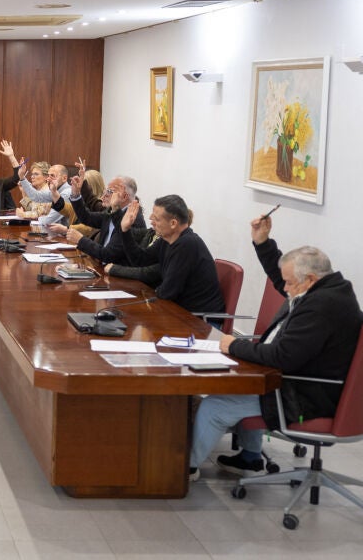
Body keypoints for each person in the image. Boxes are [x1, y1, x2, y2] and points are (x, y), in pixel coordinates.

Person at [189, 215, 362, 480]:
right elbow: (281, 278)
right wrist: (263, 243)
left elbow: (282, 357)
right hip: (305, 382)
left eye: (290, 283)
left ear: (310, 279)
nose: (285, 288)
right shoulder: (329, 289)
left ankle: (185, 469)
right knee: (237, 385)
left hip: (307, 396)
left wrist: (234, 346)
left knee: (216, 406)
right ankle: (250, 458)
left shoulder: (321, 306)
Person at [118, 194, 225, 315]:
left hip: (199, 319)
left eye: (156, 219)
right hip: (179, 311)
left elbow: (167, 292)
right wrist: (125, 230)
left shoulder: (187, 244)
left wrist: (156, 290)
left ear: (173, 223)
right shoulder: (167, 240)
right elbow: (140, 260)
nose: (151, 221)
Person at [63, 176, 145, 265]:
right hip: (100, 266)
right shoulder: (112, 211)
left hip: (115, 271)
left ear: (124, 196)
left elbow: (108, 255)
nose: (104, 196)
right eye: (106, 191)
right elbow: (87, 217)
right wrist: (76, 195)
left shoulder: (132, 219)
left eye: (110, 191)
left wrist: (80, 240)